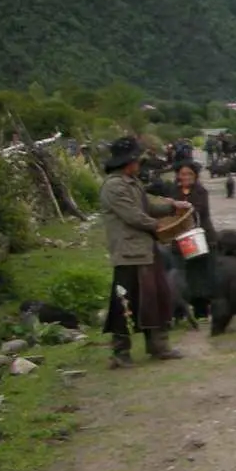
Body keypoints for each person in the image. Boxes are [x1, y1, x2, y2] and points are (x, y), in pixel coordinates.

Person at [100, 137, 189, 368]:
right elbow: (133, 215)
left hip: (146, 250)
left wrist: (172, 207)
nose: (140, 163)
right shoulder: (113, 186)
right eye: (137, 159)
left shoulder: (132, 182)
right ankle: (120, 353)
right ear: (128, 162)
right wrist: (157, 225)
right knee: (125, 302)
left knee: (156, 298)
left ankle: (158, 346)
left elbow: (146, 207)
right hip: (129, 252)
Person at [174, 159, 217, 320]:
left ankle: (202, 310)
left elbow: (199, 211)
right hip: (180, 240)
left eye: (189, 174)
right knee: (185, 275)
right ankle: (182, 309)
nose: (186, 177)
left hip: (200, 239)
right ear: (178, 175)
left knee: (201, 275)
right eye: (182, 174)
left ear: (195, 175)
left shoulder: (201, 192)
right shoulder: (173, 191)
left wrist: (180, 208)